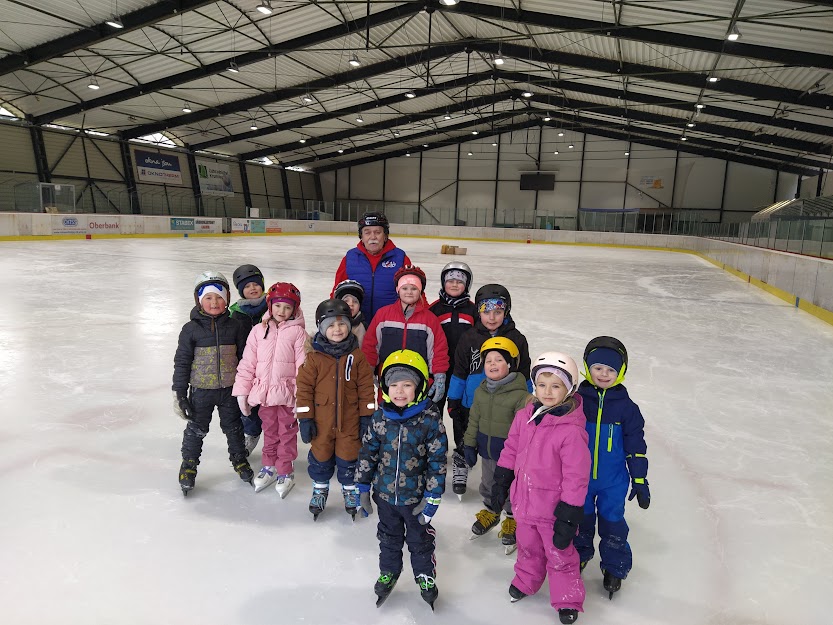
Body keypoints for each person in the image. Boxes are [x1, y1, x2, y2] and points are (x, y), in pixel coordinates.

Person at [490, 352, 591, 625]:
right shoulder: (525, 415)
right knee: (528, 548)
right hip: (523, 503)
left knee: (560, 554)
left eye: (556, 386)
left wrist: (569, 512)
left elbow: (576, 475)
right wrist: (501, 478)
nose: (547, 392)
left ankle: (567, 598)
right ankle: (526, 580)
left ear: (569, 389)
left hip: (552, 511)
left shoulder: (571, 430)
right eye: (542, 384)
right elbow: (511, 448)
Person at [355, 350, 448, 610]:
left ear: (419, 388)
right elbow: (368, 453)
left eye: (407, 385)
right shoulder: (380, 418)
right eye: (394, 385)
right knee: (388, 538)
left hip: (415, 499)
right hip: (385, 497)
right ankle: (389, 571)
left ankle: (425, 575)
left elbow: (438, 461)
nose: (399, 391)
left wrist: (433, 496)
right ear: (385, 388)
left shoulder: (429, 421)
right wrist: (362, 486)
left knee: (420, 540)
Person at [573, 336, 649, 599]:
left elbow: (636, 446)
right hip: (578, 479)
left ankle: (615, 566)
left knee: (613, 523)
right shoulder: (576, 402)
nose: (604, 374)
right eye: (598, 368)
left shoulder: (627, 409)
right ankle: (579, 554)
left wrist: (639, 479)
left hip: (613, 481)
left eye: (611, 369)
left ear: (621, 372)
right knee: (579, 520)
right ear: (587, 367)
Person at [446, 284, 532, 498]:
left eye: (498, 312)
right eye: (486, 312)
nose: (491, 317)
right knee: (466, 434)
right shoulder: (469, 337)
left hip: (506, 404)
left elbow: (524, 373)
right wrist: (454, 398)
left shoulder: (517, 339)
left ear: (506, 311)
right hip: (472, 402)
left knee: (500, 440)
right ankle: (461, 463)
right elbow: (459, 371)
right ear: (478, 312)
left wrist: (529, 403)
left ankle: (503, 479)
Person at [173, 270, 254, 495]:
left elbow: (245, 358)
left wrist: (247, 387)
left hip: (230, 390)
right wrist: (180, 393)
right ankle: (189, 465)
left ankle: (239, 459)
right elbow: (182, 362)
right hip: (201, 391)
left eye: (219, 297)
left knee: (234, 428)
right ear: (199, 301)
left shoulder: (235, 326)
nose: (214, 302)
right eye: (208, 297)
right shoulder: (190, 330)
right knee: (196, 429)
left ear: (227, 299)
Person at [295, 298, 376, 521]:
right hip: (321, 422)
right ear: (321, 328)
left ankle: (350, 491)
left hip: (350, 421)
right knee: (320, 456)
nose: (337, 329)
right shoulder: (313, 358)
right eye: (330, 325)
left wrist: (367, 417)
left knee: (349, 457)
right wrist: (305, 419)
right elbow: (304, 390)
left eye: (342, 324)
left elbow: (366, 390)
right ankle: (320, 489)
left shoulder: (357, 356)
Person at [232, 283, 307, 498]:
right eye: (278, 306)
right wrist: (242, 391)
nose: (282, 311)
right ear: (270, 305)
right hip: (264, 395)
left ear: (294, 309)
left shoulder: (298, 333)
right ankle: (269, 466)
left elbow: (303, 368)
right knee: (270, 432)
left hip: (287, 396)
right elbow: (248, 363)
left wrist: (301, 397)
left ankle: (285, 470)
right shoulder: (258, 330)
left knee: (287, 434)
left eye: (288, 307)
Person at [463, 337, 533, 553]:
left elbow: (525, 431)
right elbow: (474, 420)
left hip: (511, 457)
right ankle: (491, 512)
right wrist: (469, 444)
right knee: (487, 483)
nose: (492, 364)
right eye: (488, 361)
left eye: (499, 360)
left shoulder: (521, 396)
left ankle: (512, 518)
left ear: (510, 364)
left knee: (510, 488)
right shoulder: (481, 391)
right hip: (487, 450)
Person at [362, 265, 449, 405]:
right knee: (388, 414)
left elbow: (438, 350)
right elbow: (370, 346)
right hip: (389, 380)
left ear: (420, 291)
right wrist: (368, 370)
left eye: (414, 288)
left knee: (416, 415)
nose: (409, 292)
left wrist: (439, 375)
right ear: (398, 290)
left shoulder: (429, 319)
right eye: (405, 288)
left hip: (418, 380)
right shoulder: (383, 315)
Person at [332, 212, 412, 325]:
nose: (373, 237)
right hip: (358, 325)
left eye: (378, 232)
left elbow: (414, 291)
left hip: (390, 324)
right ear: (361, 236)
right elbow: (337, 291)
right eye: (367, 232)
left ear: (385, 236)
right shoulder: (350, 258)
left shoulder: (400, 257)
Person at [228, 264, 268, 456]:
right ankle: (251, 433)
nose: (252, 288)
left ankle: (276, 441)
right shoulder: (235, 313)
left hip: (270, 366)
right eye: (247, 286)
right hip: (247, 367)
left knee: (272, 406)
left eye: (256, 284)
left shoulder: (274, 307)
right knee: (248, 405)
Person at [428, 261, 476, 419]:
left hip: (463, 371)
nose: (454, 285)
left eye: (460, 281)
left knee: (461, 412)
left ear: (467, 285)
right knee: (434, 410)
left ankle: (461, 435)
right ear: (443, 282)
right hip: (439, 370)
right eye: (450, 280)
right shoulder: (434, 309)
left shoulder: (473, 310)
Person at [333, 279, 366, 345]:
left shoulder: (363, 327)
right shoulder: (331, 324)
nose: (351, 304)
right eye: (346, 301)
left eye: (355, 301)